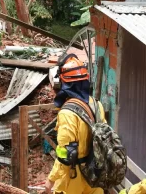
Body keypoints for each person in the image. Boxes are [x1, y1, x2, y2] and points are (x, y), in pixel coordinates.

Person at [45, 54, 106, 194]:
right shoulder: (97, 105)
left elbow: (65, 154)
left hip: (73, 178)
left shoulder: (67, 113)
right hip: (94, 174)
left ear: (63, 84)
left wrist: (51, 180)